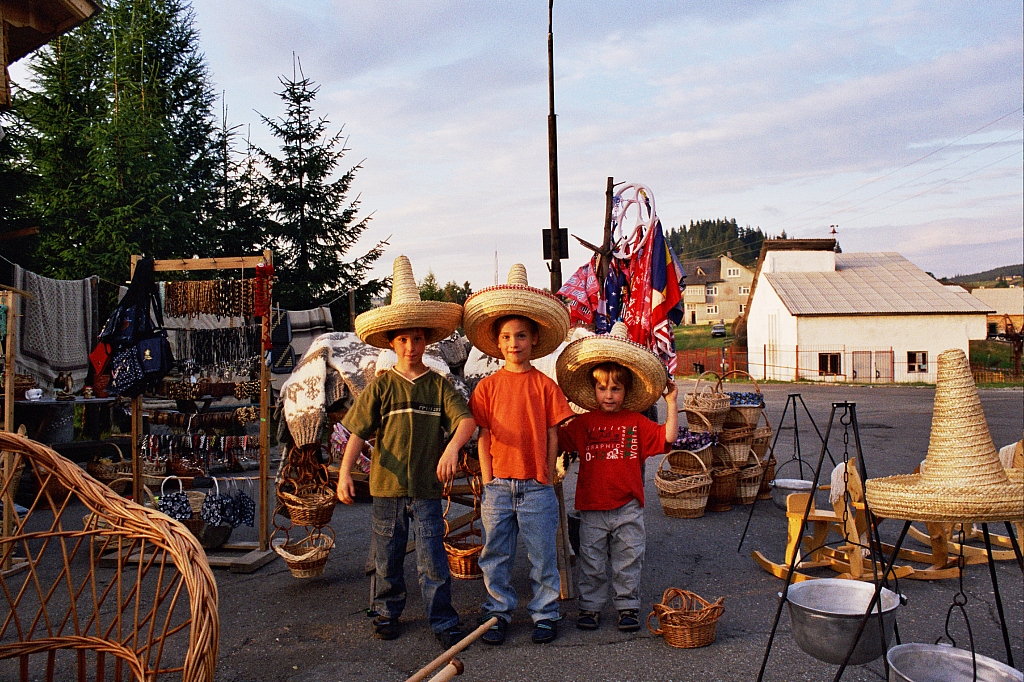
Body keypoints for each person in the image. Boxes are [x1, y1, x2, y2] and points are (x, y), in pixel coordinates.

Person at [336, 256, 475, 649]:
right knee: (388, 556)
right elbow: (357, 433)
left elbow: (466, 421)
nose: (411, 347)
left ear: (426, 341)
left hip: (428, 489)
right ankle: (386, 612)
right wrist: (345, 474)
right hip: (386, 487)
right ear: (391, 343)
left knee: (432, 559)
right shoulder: (381, 386)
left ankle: (442, 619)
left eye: (417, 339)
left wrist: (451, 449)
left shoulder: (439, 385)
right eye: (403, 340)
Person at [462, 264, 573, 645]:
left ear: (534, 338)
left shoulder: (545, 386)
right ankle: (497, 612)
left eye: (521, 335)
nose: (514, 343)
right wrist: (488, 477)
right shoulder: (487, 387)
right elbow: (483, 435)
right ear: (497, 342)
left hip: (536, 485)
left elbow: (553, 432)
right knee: (495, 555)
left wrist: (548, 472)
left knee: (542, 556)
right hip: (498, 486)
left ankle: (545, 613)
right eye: (507, 336)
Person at [555, 322, 677, 632]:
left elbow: (668, 438)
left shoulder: (636, 422)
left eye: (615, 389)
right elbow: (555, 439)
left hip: (628, 508)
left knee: (628, 560)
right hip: (592, 507)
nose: (608, 395)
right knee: (592, 562)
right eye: (602, 388)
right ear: (593, 390)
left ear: (626, 391)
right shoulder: (584, 424)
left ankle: (627, 607)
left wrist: (672, 403)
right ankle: (590, 608)